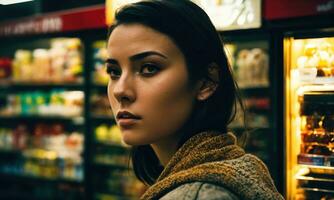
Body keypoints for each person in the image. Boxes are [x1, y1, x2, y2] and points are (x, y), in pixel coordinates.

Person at [106, 0, 284, 199]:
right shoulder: (235, 173)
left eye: (149, 68)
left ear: (206, 82)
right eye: (114, 72)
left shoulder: (198, 194)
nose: (120, 90)